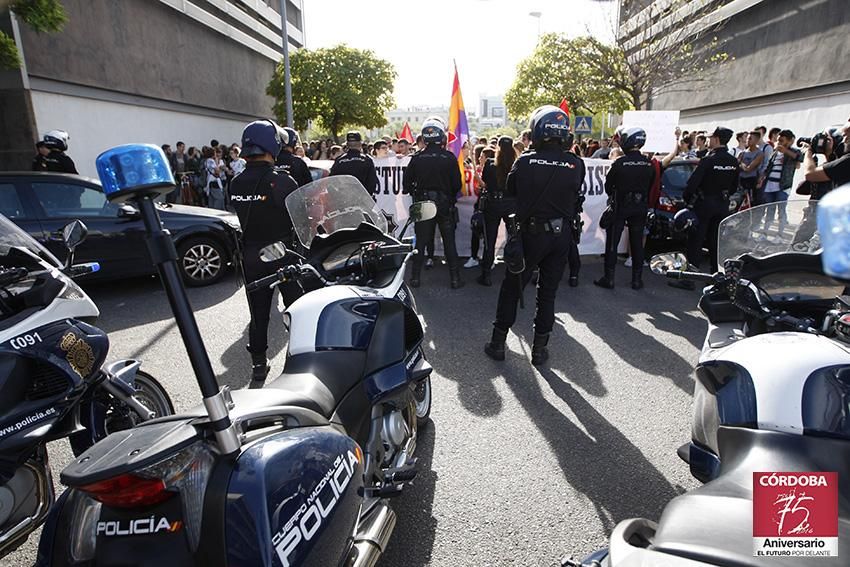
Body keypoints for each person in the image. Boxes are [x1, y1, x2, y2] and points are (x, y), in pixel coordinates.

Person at [484, 105, 584, 366]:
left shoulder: (525, 161)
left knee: (511, 288)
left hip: (530, 236)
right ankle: (539, 349)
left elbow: (511, 189)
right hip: (561, 237)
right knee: (548, 292)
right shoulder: (576, 164)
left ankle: (498, 343)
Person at [229, 120, 301, 389]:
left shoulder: (236, 182)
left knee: (258, 315)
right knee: (296, 310)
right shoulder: (282, 181)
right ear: (273, 144)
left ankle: (259, 366)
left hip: (250, 256)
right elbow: (300, 218)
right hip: (282, 253)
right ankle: (299, 361)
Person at [671, 126, 739, 288]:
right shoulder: (733, 161)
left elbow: (692, 184)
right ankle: (718, 279)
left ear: (716, 139)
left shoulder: (709, 160)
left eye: (710, 138)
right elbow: (735, 187)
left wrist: (688, 203)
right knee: (716, 243)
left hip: (704, 205)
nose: (708, 140)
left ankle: (689, 279)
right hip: (722, 205)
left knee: (695, 242)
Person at [404, 118, 464, 289]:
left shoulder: (417, 158)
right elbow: (457, 185)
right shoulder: (449, 157)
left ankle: (415, 278)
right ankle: (455, 279)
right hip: (445, 204)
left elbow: (406, 185)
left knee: (420, 242)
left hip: (423, 204)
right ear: (441, 136)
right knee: (449, 242)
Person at [594, 127, 655, 290]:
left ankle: (609, 278)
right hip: (640, 206)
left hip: (621, 206)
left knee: (613, 242)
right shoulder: (649, 163)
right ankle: (637, 280)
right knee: (636, 243)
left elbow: (608, 186)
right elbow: (651, 185)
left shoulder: (620, 163)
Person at [477, 136, 518, 287]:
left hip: (493, 204)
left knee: (490, 240)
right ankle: (515, 269)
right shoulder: (516, 164)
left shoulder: (490, 164)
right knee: (514, 237)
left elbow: (485, 183)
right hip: (511, 204)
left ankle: (486, 273)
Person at [760, 129, 802, 228]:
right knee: (770, 210)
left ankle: (780, 234)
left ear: (789, 141)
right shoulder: (775, 153)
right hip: (770, 185)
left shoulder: (793, 151)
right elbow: (769, 167)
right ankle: (765, 232)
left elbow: (800, 157)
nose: (779, 143)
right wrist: (762, 177)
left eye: (781, 141)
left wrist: (786, 151)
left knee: (781, 211)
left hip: (783, 187)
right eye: (778, 140)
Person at [805, 122, 850, 187]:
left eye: (847, 136)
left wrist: (808, 151)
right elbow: (833, 171)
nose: (844, 141)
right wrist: (828, 153)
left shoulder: (847, 161)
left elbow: (810, 174)